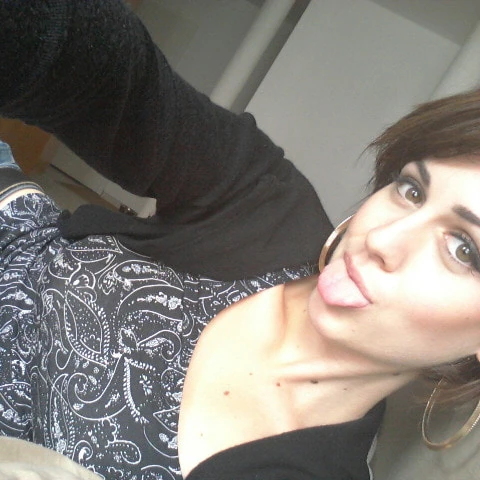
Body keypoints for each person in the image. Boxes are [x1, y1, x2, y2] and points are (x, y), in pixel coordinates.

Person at [1, 1, 480, 479]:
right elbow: (104, 72)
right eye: (411, 190)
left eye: (464, 249)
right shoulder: (272, 210)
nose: (381, 238)